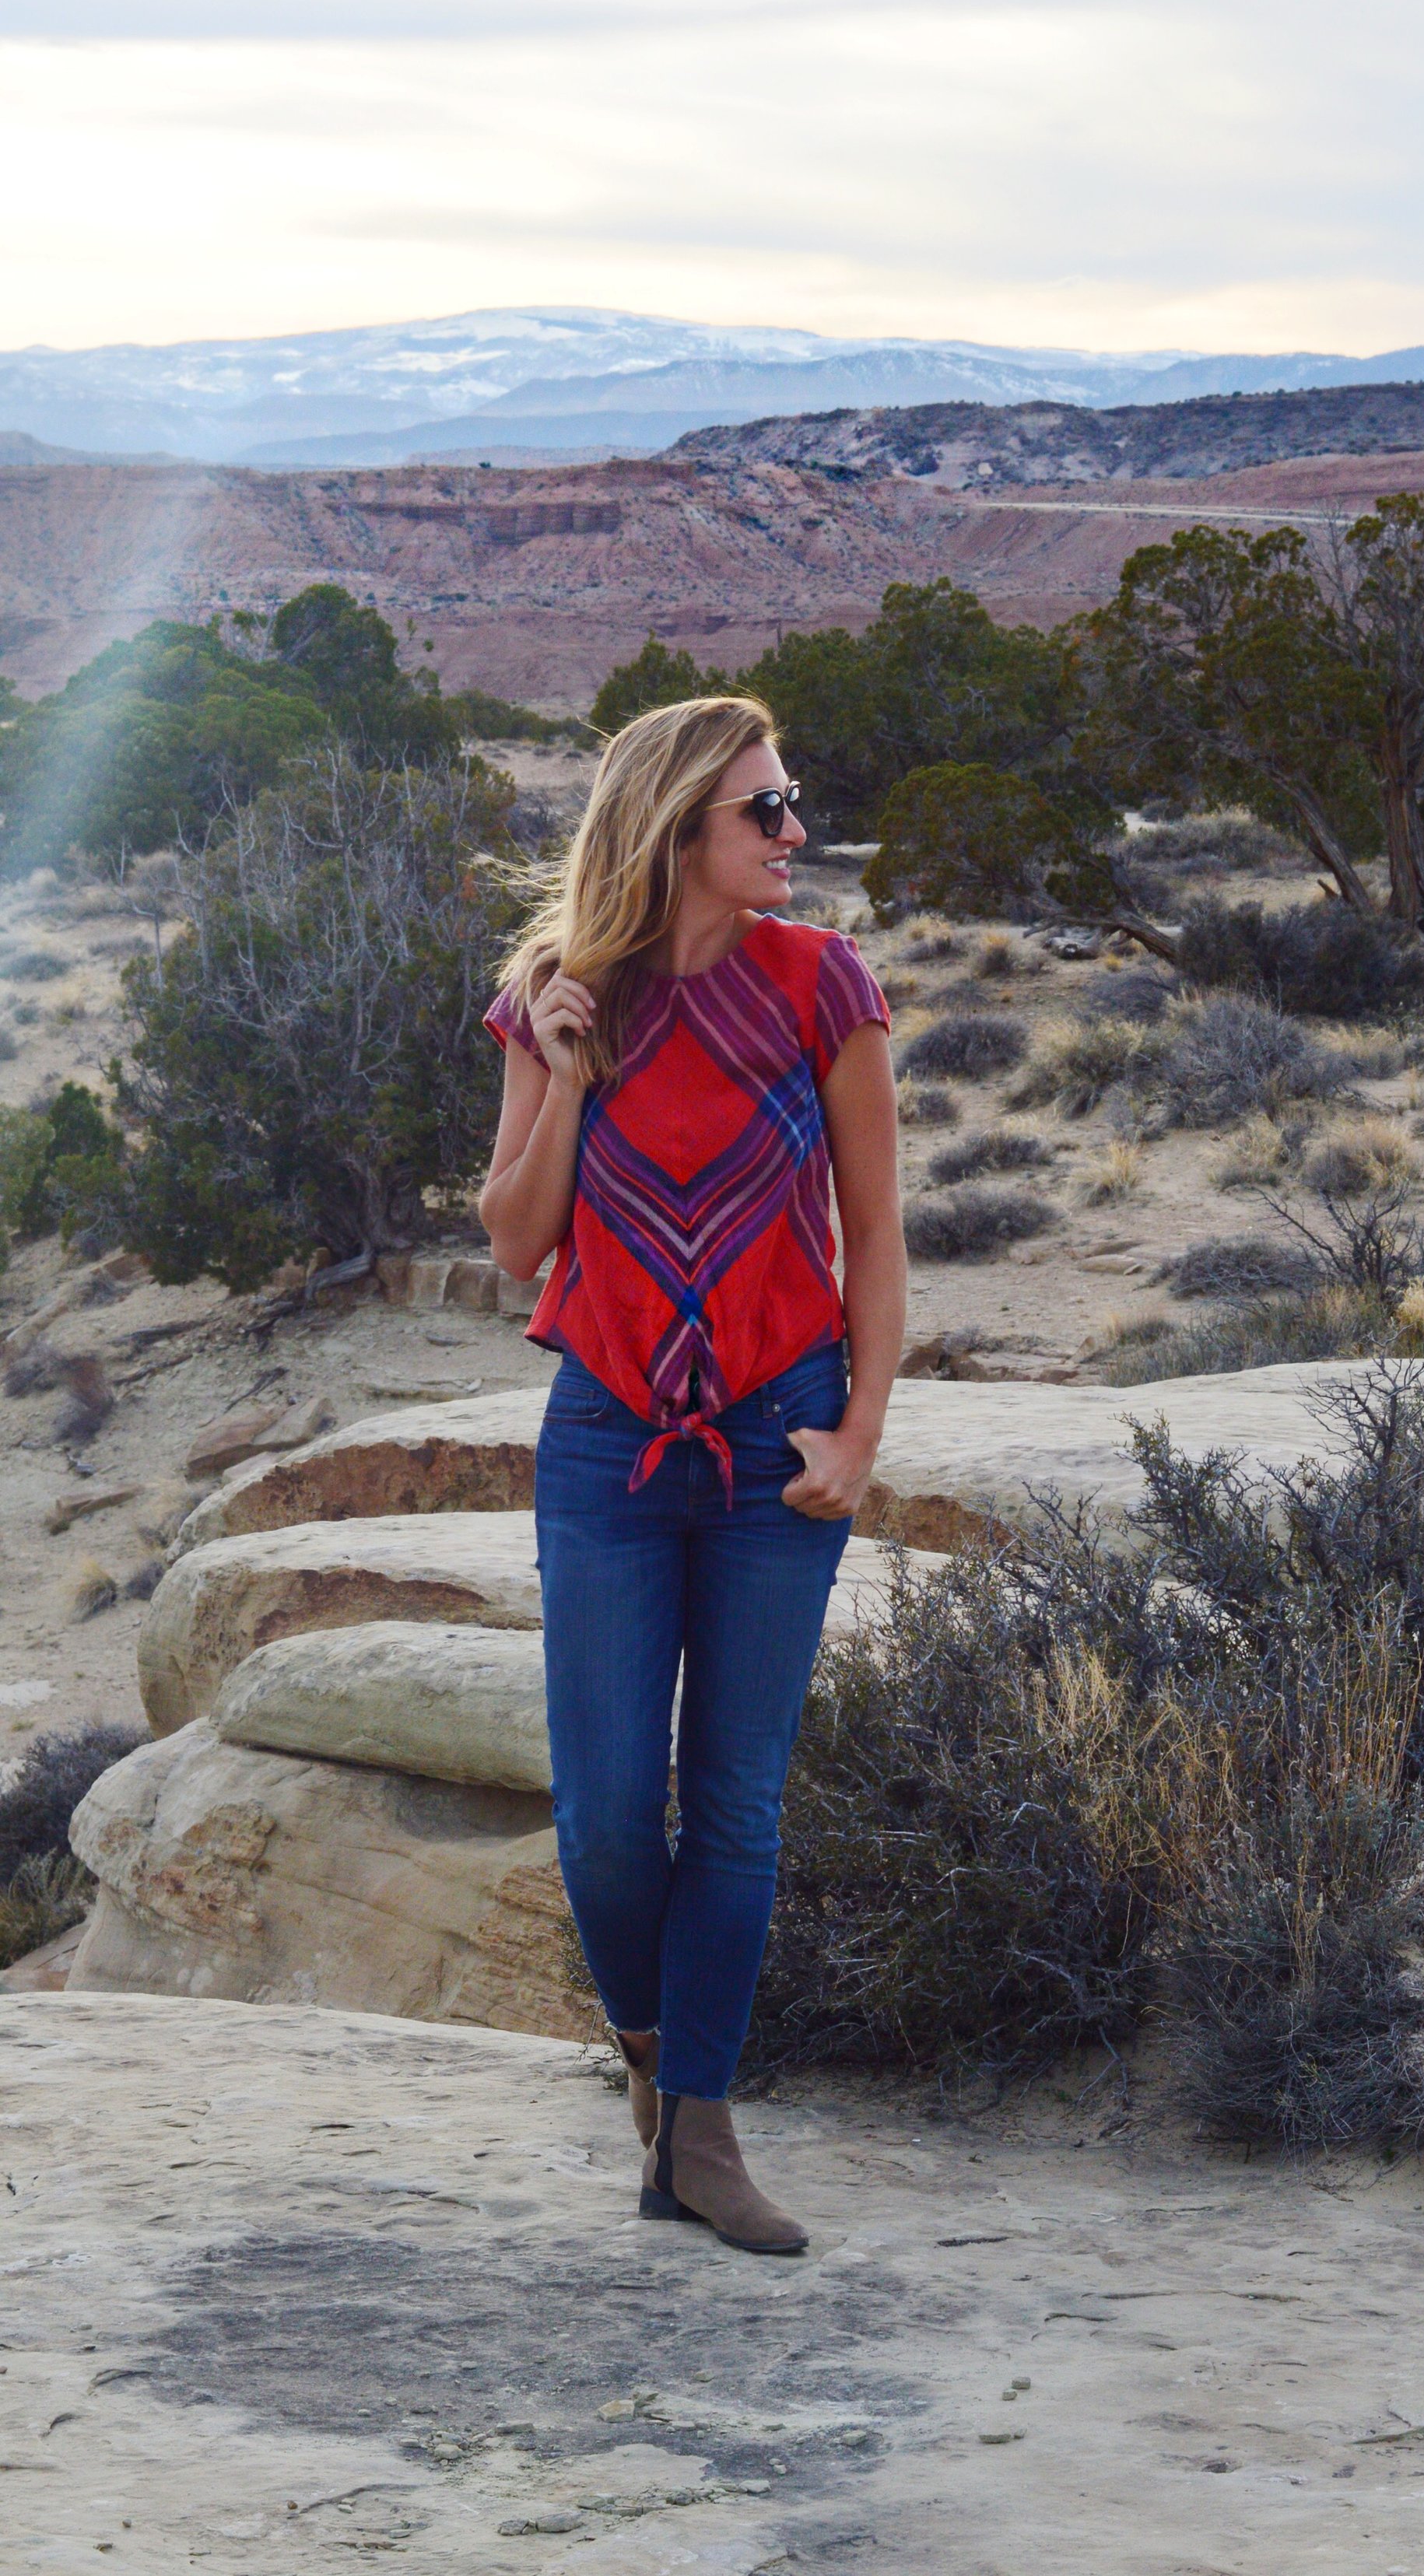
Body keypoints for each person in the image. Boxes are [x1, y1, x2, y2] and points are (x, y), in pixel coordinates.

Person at [479, 694, 903, 2255]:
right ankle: (657, 2080)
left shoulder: (819, 984)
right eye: (764, 812)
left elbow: (874, 1228)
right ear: (676, 834)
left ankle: (703, 2136)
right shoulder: (554, 999)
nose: (794, 835)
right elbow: (518, 1238)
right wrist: (573, 1073)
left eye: (790, 805)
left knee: (731, 1805)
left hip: (771, 1437)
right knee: (601, 1810)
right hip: (605, 1440)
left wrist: (858, 1432)